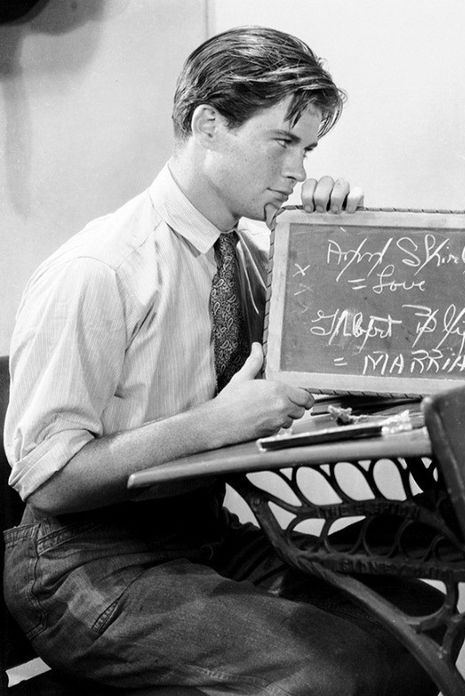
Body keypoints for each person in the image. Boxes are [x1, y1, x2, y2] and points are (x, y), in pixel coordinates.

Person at [3, 26, 439, 696]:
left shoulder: (251, 256)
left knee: (417, 622)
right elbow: (49, 481)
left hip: (202, 535)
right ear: (209, 125)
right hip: (85, 563)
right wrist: (216, 422)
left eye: (310, 148)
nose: (299, 170)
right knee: (318, 681)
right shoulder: (101, 269)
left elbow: (340, 370)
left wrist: (336, 249)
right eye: (283, 142)